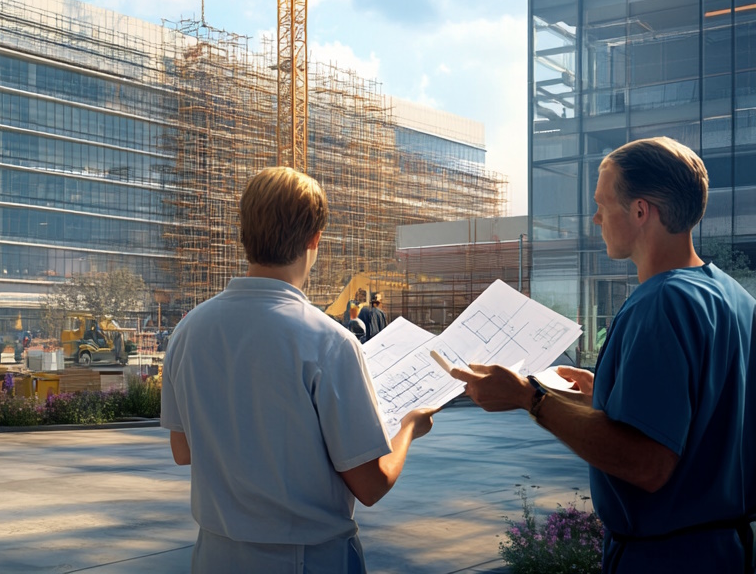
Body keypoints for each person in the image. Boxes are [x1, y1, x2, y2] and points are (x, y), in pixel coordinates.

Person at [454, 137, 756, 573]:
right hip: (729, 552)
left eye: (602, 203)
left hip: (664, 559)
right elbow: (702, 419)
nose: (595, 217)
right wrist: (607, 398)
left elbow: (646, 463)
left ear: (639, 211)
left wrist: (529, 398)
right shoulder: (734, 299)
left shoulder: (661, 303)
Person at [161, 167, 435, 573]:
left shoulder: (188, 331)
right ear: (314, 238)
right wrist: (410, 425)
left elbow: (183, 452)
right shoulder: (329, 342)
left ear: (244, 232)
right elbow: (371, 485)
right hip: (307, 559)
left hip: (214, 555)